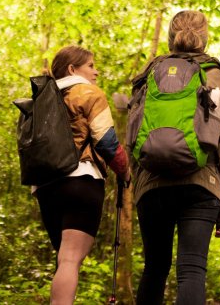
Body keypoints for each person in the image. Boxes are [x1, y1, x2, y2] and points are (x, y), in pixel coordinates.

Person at [130, 10, 220, 305]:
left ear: (170, 37)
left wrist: (135, 188)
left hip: (152, 184)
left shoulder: (146, 75)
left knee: (154, 268)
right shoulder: (217, 78)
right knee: (191, 270)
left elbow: (132, 134)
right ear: (205, 38)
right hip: (201, 184)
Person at [34, 45, 131, 304]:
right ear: (72, 68)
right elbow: (107, 143)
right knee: (70, 259)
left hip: (45, 187)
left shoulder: (40, 98)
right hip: (81, 179)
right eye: (90, 65)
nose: (96, 72)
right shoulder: (88, 92)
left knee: (64, 258)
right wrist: (124, 171)